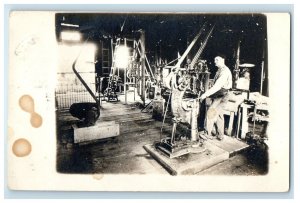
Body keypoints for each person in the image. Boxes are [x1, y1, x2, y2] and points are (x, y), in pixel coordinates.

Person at [199, 55, 232, 140]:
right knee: (219, 114)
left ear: (223, 60)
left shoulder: (224, 72)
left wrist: (205, 94)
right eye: (215, 60)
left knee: (211, 111)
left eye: (217, 60)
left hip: (221, 94)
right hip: (223, 94)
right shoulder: (220, 70)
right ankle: (220, 135)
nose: (215, 62)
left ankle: (207, 133)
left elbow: (217, 86)